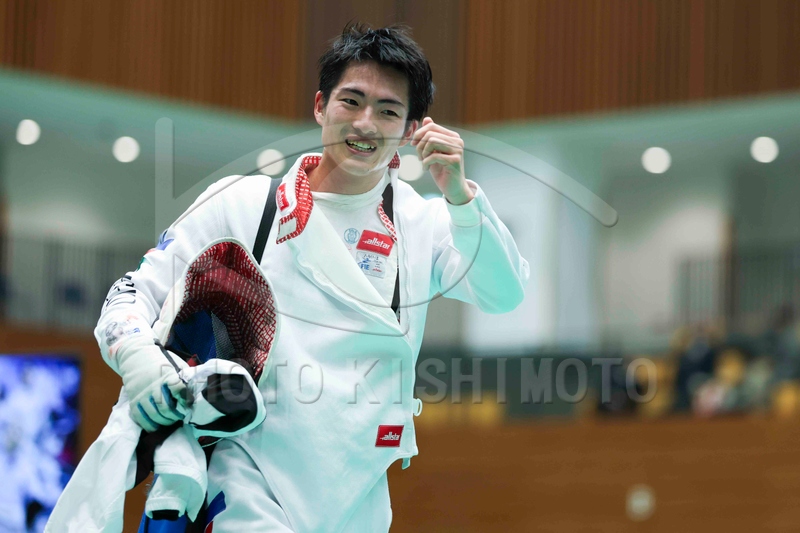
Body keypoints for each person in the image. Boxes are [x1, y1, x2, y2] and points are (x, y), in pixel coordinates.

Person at [94, 23, 530, 532]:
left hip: (359, 490)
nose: (365, 123)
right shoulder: (245, 205)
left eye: (388, 111)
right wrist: (139, 360)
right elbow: (131, 295)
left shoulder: (422, 223)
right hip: (247, 475)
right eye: (352, 101)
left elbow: (504, 293)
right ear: (321, 106)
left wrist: (461, 197)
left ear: (411, 130)